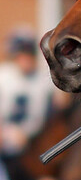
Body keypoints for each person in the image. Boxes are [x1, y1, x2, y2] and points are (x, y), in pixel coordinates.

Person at [0, 27, 53, 158]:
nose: (25, 59)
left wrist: (24, 133)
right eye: (21, 54)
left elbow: (40, 120)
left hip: (30, 145)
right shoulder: (4, 76)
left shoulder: (42, 81)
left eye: (28, 54)